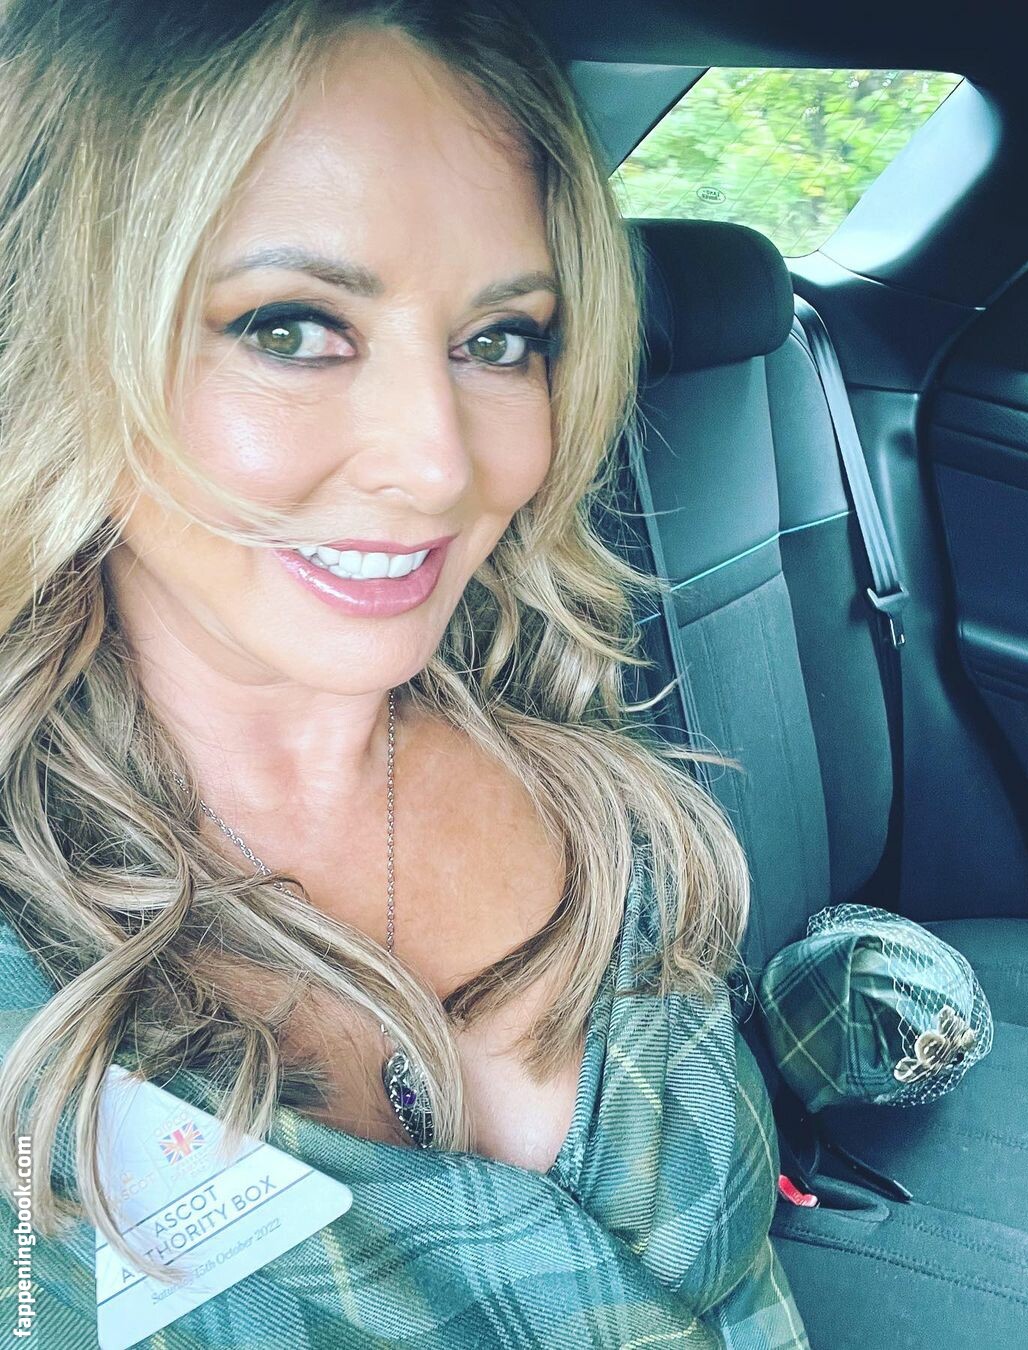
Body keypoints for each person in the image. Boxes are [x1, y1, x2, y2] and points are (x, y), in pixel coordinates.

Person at [0, 1, 810, 1344]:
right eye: (290, 328)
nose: (439, 464)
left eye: (498, 341)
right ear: (60, 342)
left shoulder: (607, 799)